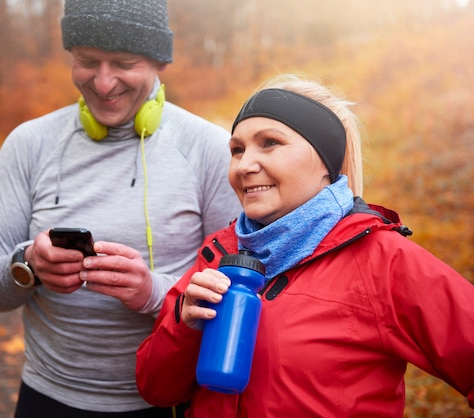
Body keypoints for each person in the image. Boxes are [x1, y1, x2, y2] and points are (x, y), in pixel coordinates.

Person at [136, 74, 474, 417]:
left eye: (270, 143)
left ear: (325, 162)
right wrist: (185, 323)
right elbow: (156, 388)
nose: (244, 166)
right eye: (237, 149)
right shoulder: (219, 253)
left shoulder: (384, 261)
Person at [0, 0, 242, 416]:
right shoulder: (29, 144)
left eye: (123, 63)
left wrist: (153, 293)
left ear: (158, 62)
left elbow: (239, 295)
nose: (104, 82)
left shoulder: (210, 149)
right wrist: (27, 264)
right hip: (47, 397)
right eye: (87, 61)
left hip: (168, 399)